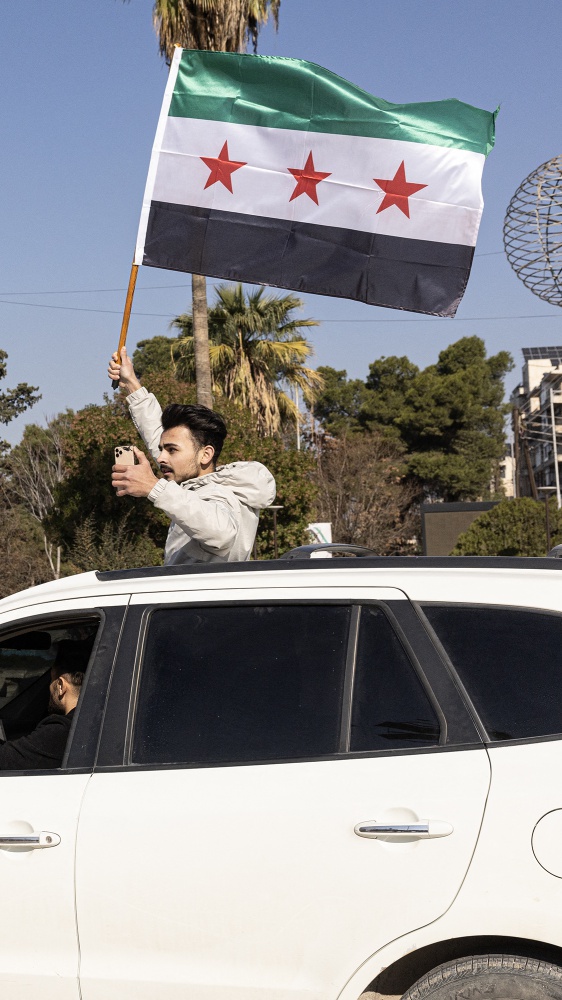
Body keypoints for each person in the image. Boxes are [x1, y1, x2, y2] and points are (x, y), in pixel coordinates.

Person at [108, 348, 276, 564]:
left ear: (206, 454)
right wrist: (131, 383)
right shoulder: (194, 488)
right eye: (162, 449)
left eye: (171, 450)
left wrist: (154, 487)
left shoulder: (220, 497)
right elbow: (159, 435)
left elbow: (221, 533)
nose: (160, 458)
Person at [0, 669, 84, 770]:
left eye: (51, 681)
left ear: (61, 685)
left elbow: (5, 758)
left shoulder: (61, 730)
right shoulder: (89, 722)